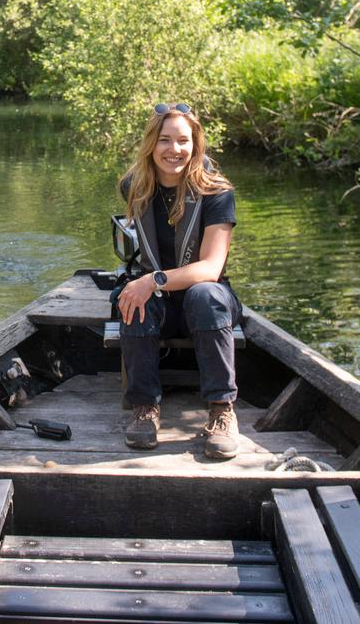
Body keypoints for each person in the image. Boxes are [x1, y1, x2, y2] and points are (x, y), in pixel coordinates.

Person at [113, 103, 241, 459]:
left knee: (204, 295)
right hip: (162, 301)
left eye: (183, 140)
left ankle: (221, 410)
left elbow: (211, 268)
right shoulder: (133, 186)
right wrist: (143, 286)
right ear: (151, 145)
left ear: (195, 145)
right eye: (165, 140)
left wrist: (152, 279)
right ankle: (145, 408)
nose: (174, 150)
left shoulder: (216, 191)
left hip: (208, 299)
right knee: (132, 297)